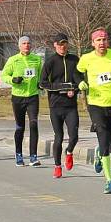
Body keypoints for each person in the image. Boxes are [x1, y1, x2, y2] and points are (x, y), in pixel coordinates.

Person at [76, 28, 111, 194]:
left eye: (104, 40)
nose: (102, 43)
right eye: (98, 40)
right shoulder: (86, 58)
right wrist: (80, 83)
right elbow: (76, 74)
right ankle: (109, 180)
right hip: (95, 104)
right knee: (103, 136)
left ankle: (99, 152)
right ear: (93, 43)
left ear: (108, 42)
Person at [40, 33, 83, 178]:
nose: (62, 46)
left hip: (70, 106)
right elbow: (43, 83)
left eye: (65, 43)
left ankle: (69, 152)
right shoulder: (50, 62)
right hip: (55, 105)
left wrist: (74, 89)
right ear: (55, 45)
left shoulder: (74, 60)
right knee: (59, 136)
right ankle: (57, 166)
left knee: (74, 136)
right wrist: (61, 87)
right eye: (59, 44)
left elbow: (79, 80)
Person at [1, 36, 43, 167]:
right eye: (24, 43)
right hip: (18, 97)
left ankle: (33, 156)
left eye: (28, 43)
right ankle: (18, 154)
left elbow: (41, 76)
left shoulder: (37, 59)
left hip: (33, 96)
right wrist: (13, 79)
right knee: (20, 126)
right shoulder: (13, 60)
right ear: (19, 46)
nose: (26, 46)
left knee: (33, 124)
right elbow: (4, 75)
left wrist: (41, 84)